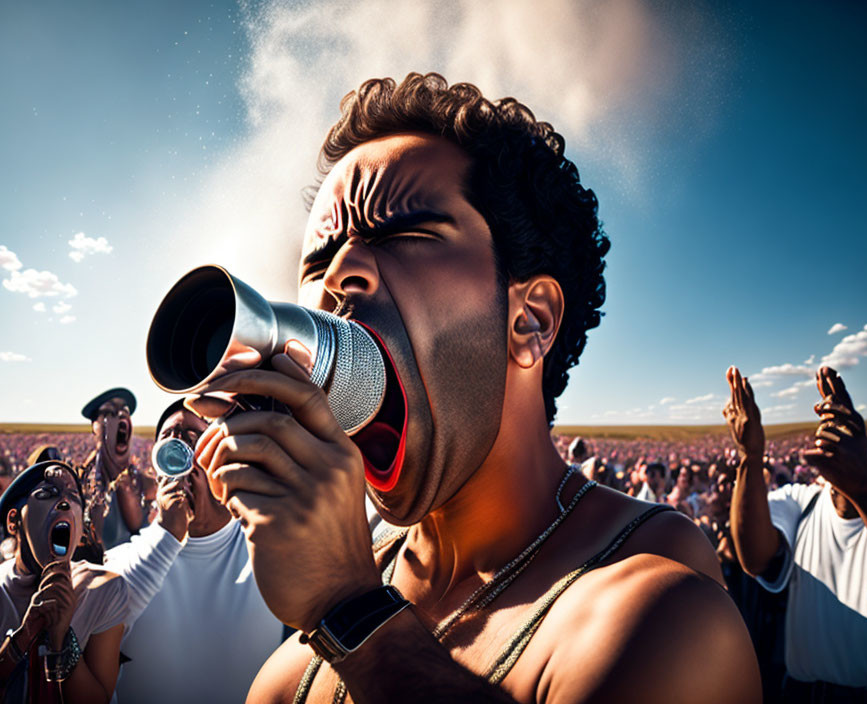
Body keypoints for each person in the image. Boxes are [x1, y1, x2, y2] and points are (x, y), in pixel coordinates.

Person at [191, 73, 760, 703]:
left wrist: (349, 609)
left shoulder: (662, 617)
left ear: (529, 321)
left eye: (403, 235)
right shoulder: (288, 675)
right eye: (317, 264)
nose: (340, 275)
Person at [724, 365, 867, 701]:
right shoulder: (801, 502)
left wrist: (865, 488)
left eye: (848, 435)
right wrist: (750, 456)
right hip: (802, 694)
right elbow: (754, 558)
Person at [104, 400, 283, 704]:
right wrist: (168, 534)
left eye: (194, 438)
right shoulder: (120, 562)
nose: (179, 447)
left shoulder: (270, 551)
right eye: (168, 437)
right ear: (156, 463)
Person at [0, 461, 128, 703]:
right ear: (13, 521)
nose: (64, 502)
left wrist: (62, 638)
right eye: (47, 493)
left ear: (80, 528)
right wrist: (24, 635)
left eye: (74, 497)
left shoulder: (105, 589)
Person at [78, 389, 149, 554]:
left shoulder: (141, 481)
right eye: (109, 413)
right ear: (94, 426)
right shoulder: (79, 482)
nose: (120, 416)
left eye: (125, 411)